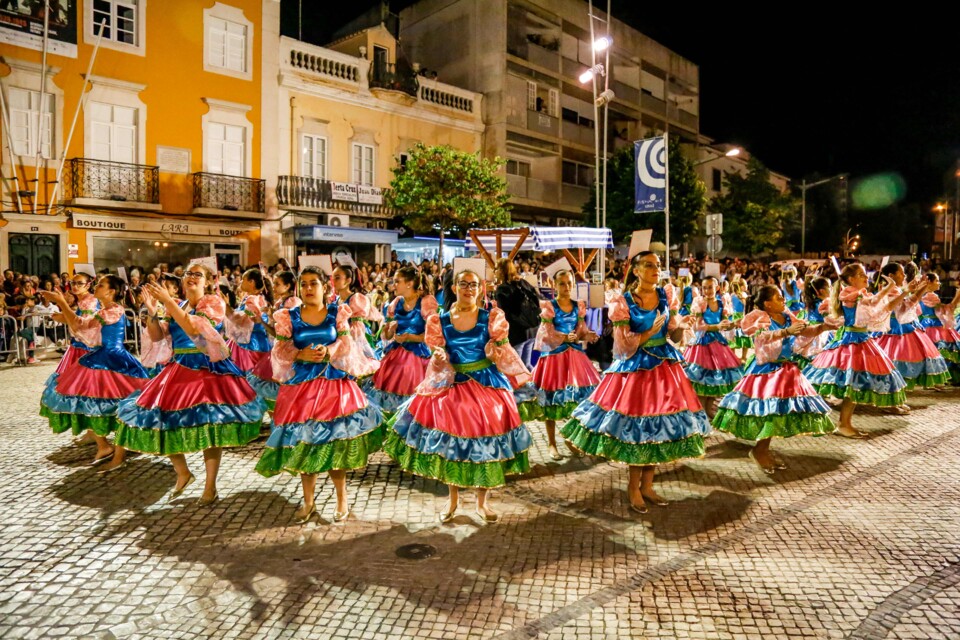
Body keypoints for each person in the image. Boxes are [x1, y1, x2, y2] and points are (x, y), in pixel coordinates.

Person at [561, 252, 710, 513]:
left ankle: (648, 486)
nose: (655, 270)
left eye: (658, 266)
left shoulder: (667, 295)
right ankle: (633, 488)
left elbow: (672, 333)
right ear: (636, 270)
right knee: (639, 428)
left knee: (659, 427)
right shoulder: (623, 302)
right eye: (649, 265)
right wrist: (649, 332)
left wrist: (681, 325)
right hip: (636, 368)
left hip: (664, 367)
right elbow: (622, 345)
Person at [383, 269, 532, 524]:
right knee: (450, 443)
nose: (468, 289)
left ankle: (482, 503)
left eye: (473, 284)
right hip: (453, 384)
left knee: (484, 443)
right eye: (463, 284)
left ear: (480, 288)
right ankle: (452, 502)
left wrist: (494, 349)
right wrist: (439, 356)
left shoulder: (491, 318)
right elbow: (437, 350)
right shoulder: (439, 320)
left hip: (485, 385)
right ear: (454, 288)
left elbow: (501, 350)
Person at [107, 261, 265, 503]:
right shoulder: (177, 305)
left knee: (211, 427)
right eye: (188, 273)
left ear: (208, 281)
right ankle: (183, 472)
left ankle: (210, 486)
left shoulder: (213, 303)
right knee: (160, 418)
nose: (191, 277)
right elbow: (157, 336)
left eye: (197, 275)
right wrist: (151, 310)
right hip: (178, 367)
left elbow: (194, 327)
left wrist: (167, 302)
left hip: (208, 369)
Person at [255, 266, 383, 523]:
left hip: (333, 385)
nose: (308, 288)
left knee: (336, 443)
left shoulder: (337, 312)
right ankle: (309, 501)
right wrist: (298, 354)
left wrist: (330, 351)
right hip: (301, 388)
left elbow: (346, 342)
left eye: (314, 283)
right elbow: (279, 350)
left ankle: (341, 499)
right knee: (305, 442)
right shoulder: (288, 316)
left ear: (326, 287)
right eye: (304, 284)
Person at [713, 286, 841, 473]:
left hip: (786, 369)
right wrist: (785, 332)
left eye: (782, 297)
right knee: (769, 413)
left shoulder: (787, 316)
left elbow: (804, 331)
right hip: (767, 371)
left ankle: (763, 451)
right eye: (778, 298)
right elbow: (762, 337)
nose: (783, 301)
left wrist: (823, 327)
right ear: (767, 304)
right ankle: (759, 451)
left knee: (779, 413)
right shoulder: (761, 318)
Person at [39, 275, 150, 464]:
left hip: (111, 359)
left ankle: (112, 444)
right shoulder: (107, 310)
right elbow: (82, 326)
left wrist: (61, 303)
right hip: (104, 356)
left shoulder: (112, 310)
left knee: (105, 400)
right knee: (93, 400)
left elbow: (80, 325)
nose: (97, 287)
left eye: (101, 285)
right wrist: (65, 313)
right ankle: (104, 444)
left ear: (111, 292)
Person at [802, 263, 909, 438]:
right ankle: (842, 424)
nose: (866, 278)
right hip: (852, 342)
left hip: (862, 339)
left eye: (865, 274)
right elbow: (875, 302)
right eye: (861, 275)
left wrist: (903, 292)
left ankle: (844, 423)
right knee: (852, 384)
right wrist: (889, 287)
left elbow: (885, 308)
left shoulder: (860, 295)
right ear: (851, 279)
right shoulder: (850, 294)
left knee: (854, 385)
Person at [531, 269, 600, 461]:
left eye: (569, 283)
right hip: (554, 357)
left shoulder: (578, 307)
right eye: (562, 283)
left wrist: (588, 335)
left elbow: (581, 331)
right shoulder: (549, 307)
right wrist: (563, 337)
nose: (567, 287)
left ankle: (571, 436)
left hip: (574, 357)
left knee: (577, 398)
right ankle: (552, 443)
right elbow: (545, 334)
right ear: (554, 285)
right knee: (552, 400)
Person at [365, 266, 438, 416]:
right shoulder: (396, 303)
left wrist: (411, 337)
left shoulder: (425, 303)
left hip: (418, 356)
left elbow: (433, 334)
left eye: (397, 281)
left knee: (409, 378)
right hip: (396, 353)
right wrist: (390, 329)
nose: (394, 285)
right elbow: (387, 334)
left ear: (409, 284)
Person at [873, 264, 950, 392]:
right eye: (901, 273)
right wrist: (913, 291)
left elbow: (908, 305)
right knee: (895, 361)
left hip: (901, 326)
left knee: (900, 361)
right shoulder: (889, 291)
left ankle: (896, 395)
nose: (904, 275)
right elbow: (902, 309)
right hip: (893, 329)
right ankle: (891, 394)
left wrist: (920, 289)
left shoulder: (896, 290)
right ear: (891, 276)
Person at [683, 276, 744, 416]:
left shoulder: (722, 303)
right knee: (701, 378)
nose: (707, 290)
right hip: (702, 343)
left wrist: (733, 324)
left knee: (717, 379)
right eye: (704, 287)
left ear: (717, 288)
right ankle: (700, 411)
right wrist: (716, 326)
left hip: (717, 342)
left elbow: (724, 324)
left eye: (710, 287)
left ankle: (709, 408)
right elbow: (698, 326)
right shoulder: (700, 302)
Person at [247, 270, 300, 411]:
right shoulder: (279, 303)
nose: (274, 287)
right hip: (278, 346)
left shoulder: (293, 302)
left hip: (290, 348)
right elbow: (276, 332)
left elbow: (288, 330)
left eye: (277, 284)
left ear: (288, 286)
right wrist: (263, 321)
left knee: (287, 385)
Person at [332, 265, 381, 379]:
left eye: (338, 278)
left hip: (353, 340)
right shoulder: (335, 300)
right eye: (333, 278)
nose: (334, 281)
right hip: (338, 339)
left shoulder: (356, 299)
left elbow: (357, 329)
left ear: (348, 280)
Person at [493, 258, 542, 370]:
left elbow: (503, 313)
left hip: (516, 332)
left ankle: (523, 387)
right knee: (526, 364)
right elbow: (537, 300)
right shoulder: (523, 282)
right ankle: (532, 384)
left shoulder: (502, 289)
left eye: (496, 269)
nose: (494, 271)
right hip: (532, 329)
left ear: (501, 270)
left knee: (516, 367)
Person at [223, 268, 271, 374]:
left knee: (246, 380)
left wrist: (226, 306)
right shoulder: (254, 298)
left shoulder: (253, 300)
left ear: (251, 282)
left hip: (250, 345)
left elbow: (240, 320)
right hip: (255, 342)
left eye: (243, 279)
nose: (241, 282)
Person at [917, 273, 960, 384]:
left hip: (925, 324)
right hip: (934, 326)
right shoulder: (931, 296)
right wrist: (955, 300)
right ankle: (940, 378)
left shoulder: (922, 294)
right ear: (930, 283)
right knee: (940, 350)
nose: (939, 283)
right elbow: (942, 310)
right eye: (937, 281)